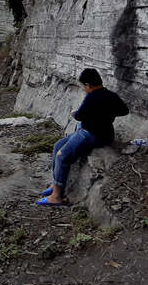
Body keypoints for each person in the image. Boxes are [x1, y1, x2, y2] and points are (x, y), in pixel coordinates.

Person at [36, 67, 129, 206]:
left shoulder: (91, 97)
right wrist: (107, 113)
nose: (84, 89)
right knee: (58, 146)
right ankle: (55, 184)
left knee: (62, 155)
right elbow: (124, 111)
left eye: (84, 86)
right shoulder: (111, 95)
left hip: (90, 135)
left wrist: (74, 113)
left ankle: (56, 196)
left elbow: (79, 116)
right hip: (105, 134)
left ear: (88, 85)